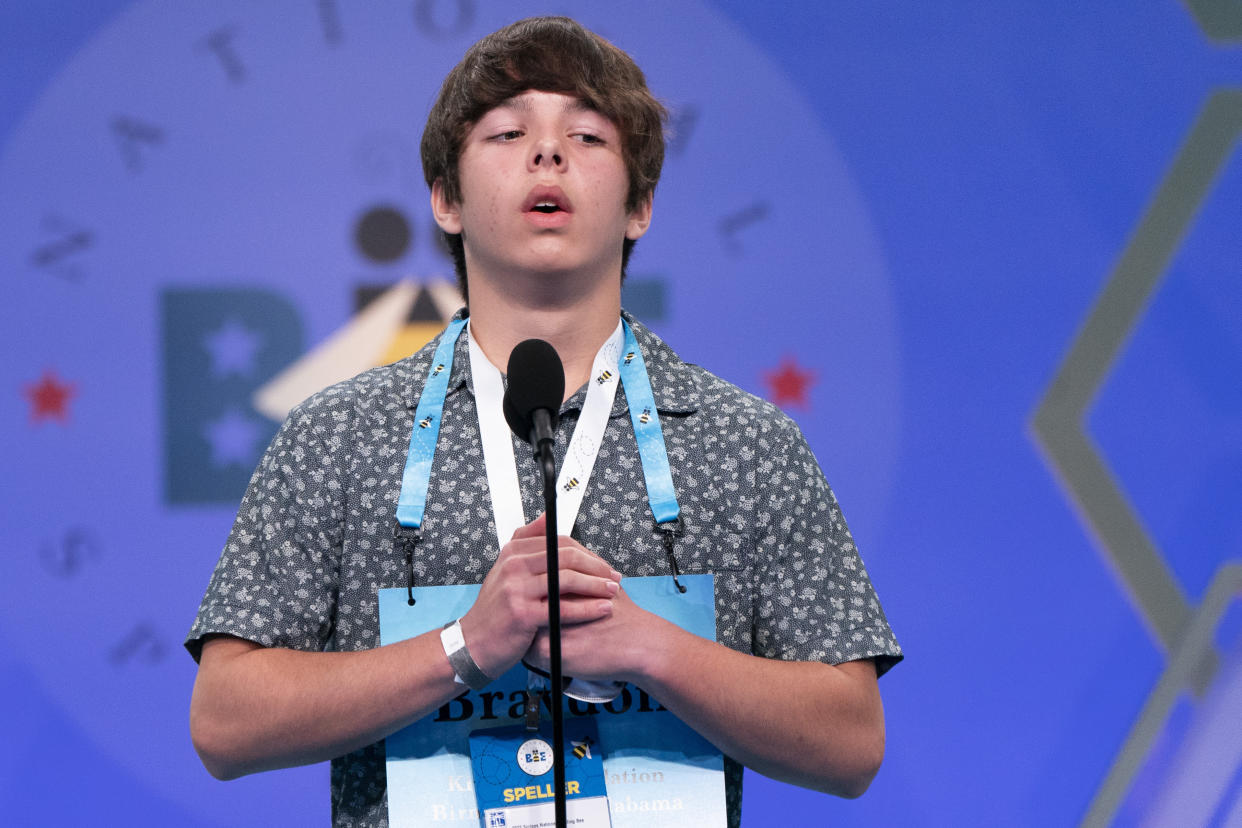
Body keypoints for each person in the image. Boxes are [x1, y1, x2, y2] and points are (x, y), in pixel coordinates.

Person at [186, 16, 901, 828]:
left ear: (640, 207)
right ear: (446, 200)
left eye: (588, 136)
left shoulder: (744, 443)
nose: (549, 152)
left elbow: (853, 743)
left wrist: (649, 648)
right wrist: (464, 647)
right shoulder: (340, 438)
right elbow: (224, 720)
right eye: (509, 131)